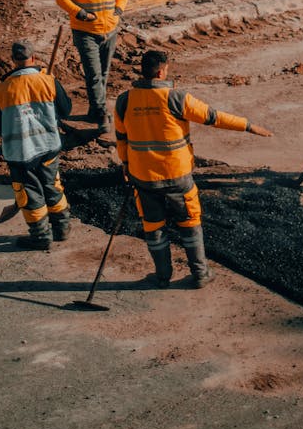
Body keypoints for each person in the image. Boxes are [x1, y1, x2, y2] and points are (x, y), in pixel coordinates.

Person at [114, 49, 272, 289]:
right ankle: (200, 274)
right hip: (176, 174)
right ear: (161, 71)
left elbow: (121, 137)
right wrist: (248, 126)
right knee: (189, 221)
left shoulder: (125, 100)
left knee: (153, 226)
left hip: (143, 176)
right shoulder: (175, 98)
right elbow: (213, 116)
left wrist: (125, 164)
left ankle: (162, 276)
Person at [0, 39, 73, 250]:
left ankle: (41, 236)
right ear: (33, 57)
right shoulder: (48, 81)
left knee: (30, 193)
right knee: (53, 185)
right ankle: (62, 228)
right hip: (49, 146)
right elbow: (66, 109)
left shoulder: (1, 90)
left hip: (21, 153)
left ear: (12, 60)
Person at [55, 0, 129, 134]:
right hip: (85, 31)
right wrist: (80, 13)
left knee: (103, 73)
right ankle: (100, 112)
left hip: (110, 29)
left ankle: (93, 109)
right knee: (94, 74)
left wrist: (119, 10)